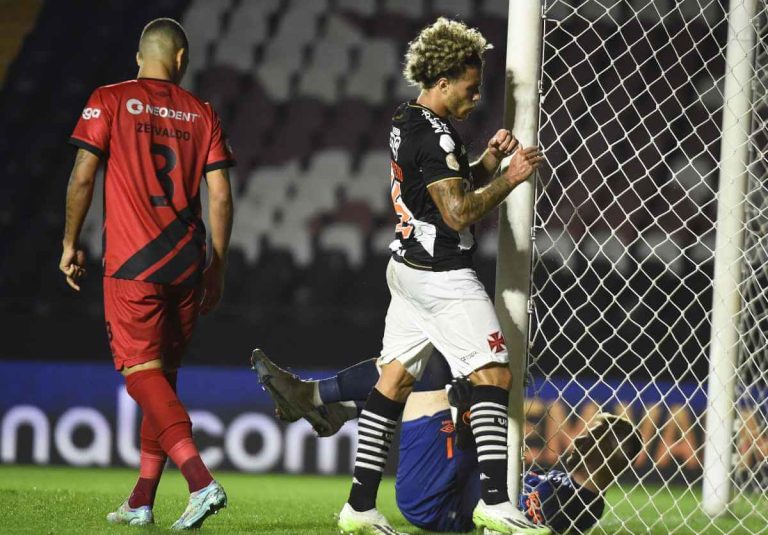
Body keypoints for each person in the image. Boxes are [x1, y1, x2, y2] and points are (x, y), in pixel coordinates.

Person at [315, 17, 545, 535]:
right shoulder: (435, 135)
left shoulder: (407, 118)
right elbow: (459, 213)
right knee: (493, 374)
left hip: (407, 268)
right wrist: (510, 177)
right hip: (441, 275)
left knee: (392, 382)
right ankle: (493, 501)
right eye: (470, 85)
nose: (477, 94)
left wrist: (487, 159)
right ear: (442, 82)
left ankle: (357, 507)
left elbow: (442, 191)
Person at [59, 18, 234, 530]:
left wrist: (70, 242)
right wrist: (217, 264)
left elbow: (83, 174)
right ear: (181, 59)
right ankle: (141, 500)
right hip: (186, 262)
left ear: (142, 57)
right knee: (163, 380)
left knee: (141, 375)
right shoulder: (202, 112)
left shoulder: (110, 99)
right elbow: (220, 194)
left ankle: (201, 482)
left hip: (134, 263)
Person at [252, 350, 643, 534]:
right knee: (418, 360)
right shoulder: (558, 479)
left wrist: (466, 418)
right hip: (444, 487)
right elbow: (477, 474)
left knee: (426, 369)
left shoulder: (579, 503)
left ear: (610, 453)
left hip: (440, 504)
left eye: (594, 433)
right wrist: (468, 416)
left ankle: (320, 400)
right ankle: (332, 406)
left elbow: (505, 521)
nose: (580, 435)